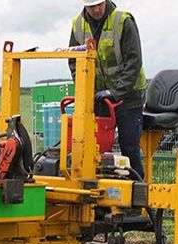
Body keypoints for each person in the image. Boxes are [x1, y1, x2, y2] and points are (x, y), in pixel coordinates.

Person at [69, 0, 147, 180]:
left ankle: (136, 198)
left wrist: (116, 93)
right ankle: (102, 199)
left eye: (99, 4)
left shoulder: (123, 21)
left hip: (129, 96)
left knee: (129, 148)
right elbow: (74, 61)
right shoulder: (77, 25)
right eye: (91, 6)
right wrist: (86, 88)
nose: (96, 10)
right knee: (96, 150)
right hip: (100, 97)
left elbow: (134, 62)